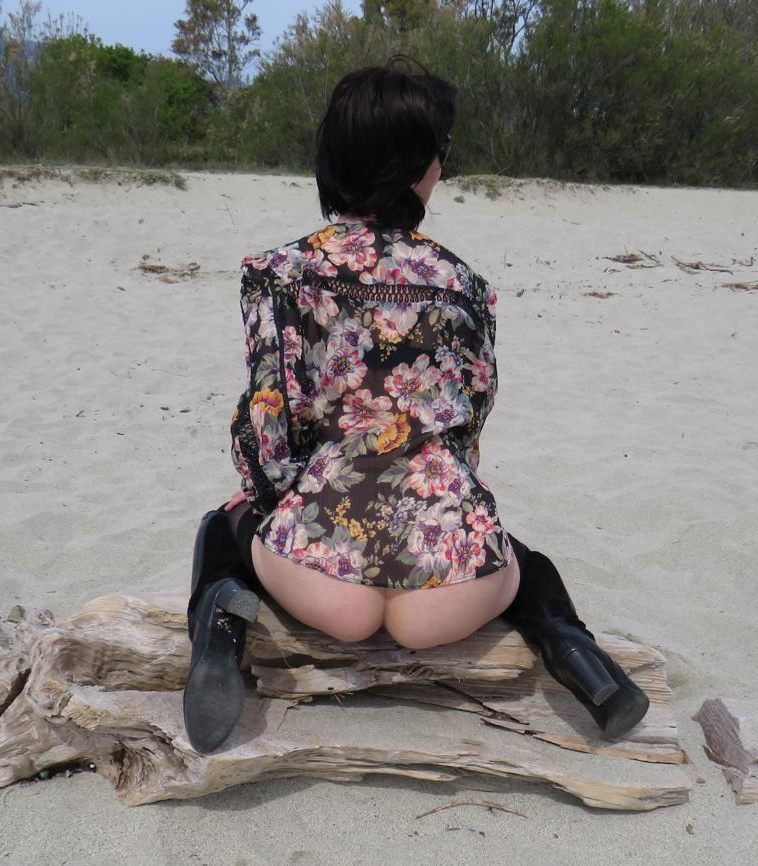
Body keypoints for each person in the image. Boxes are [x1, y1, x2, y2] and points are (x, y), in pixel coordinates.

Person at [183, 57, 649, 754]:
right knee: (515, 552)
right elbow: (469, 420)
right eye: (441, 150)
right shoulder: (465, 284)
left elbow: (267, 422)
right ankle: (571, 646)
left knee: (222, 525)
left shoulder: (277, 274)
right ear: (415, 165)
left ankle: (218, 629)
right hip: (444, 592)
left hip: (325, 583)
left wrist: (268, 501)